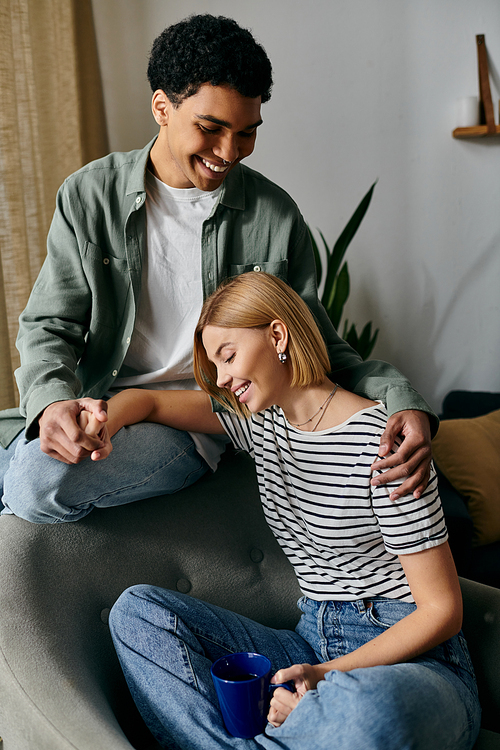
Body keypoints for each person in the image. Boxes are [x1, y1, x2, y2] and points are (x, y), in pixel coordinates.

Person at [0, 14, 434, 522]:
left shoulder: (273, 216)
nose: (230, 153)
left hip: (196, 424)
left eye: (247, 133)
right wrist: (53, 405)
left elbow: (318, 347)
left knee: (34, 483)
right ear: (161, 107)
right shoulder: (89, 194)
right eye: (211, 128)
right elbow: (51, 324)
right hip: (97, 400)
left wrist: (402, 399)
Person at [82, 272, 480, 750]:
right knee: (137, 614)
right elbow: (146, 401)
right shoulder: (261, 425)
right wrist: (103, 421)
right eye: (215, 363)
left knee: (373, 714)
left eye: (228, 356)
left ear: (277, 334)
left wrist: (325, 679)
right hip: (308, 640)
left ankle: (315, 720)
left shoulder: (383, 443)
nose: (223, 377)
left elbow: (442, 610)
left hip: (409, 662)